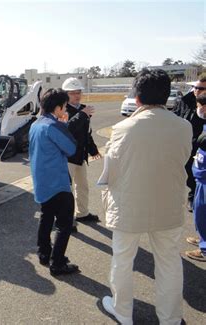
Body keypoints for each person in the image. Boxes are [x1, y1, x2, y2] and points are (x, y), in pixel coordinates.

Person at [100, 69, 192, 325]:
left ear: (137, 97)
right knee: (169, 263)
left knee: (123, 260)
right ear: (167, 96)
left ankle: (123, 311)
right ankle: (171, 319)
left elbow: (112, 169)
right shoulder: (183, 127)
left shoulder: (123, 128)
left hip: (129, 205)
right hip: (169, 205)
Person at [29, 88, 79, 276]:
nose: (65, 109)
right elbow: (71, 148)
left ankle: (44, 253)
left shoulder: (36, 124)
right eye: (64, 106)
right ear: (58, 107)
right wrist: (64, 125)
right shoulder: (53, 125)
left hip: (41, 181)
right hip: (57, 182)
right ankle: (57, 262)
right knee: (64, 224)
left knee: (46, 217)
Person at [62, 77, 101, 231]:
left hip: (80, 156)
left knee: (83, 186)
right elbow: (67, 130)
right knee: (67, 189)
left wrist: (93, 149)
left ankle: (82, 213)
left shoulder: (83, 109)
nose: (77, 96)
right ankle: (66, 219)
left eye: (78, 92)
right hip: (67, 156)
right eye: (72, 93)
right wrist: (82, 115)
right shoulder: (62, 109)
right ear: (66, 94)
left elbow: (86, 133)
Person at [172, 73, 206, 212]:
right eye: (195, 87)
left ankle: (194, 197)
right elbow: (174, 116)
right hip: (184, 145)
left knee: (198, 174)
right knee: (187, 172)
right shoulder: (184, 101)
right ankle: (193, 195)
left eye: (201, 88)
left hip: (201, 146)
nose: (197, 90)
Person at [185, 93, 206, 262]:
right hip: (200, 179)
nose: (197, 110)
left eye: (198, 106)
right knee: (201, 214)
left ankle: (205, 249)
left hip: (205, 180)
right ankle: (202, 238)